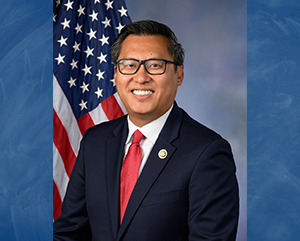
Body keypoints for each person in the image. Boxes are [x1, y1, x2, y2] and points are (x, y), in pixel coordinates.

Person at [53, 20, 239, 241]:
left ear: (179, 74)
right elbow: (69, 233)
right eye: (129, 65)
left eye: (155, 65)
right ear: (115, 73)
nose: (140, 77)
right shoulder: (95, 141)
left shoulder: (208, 152)